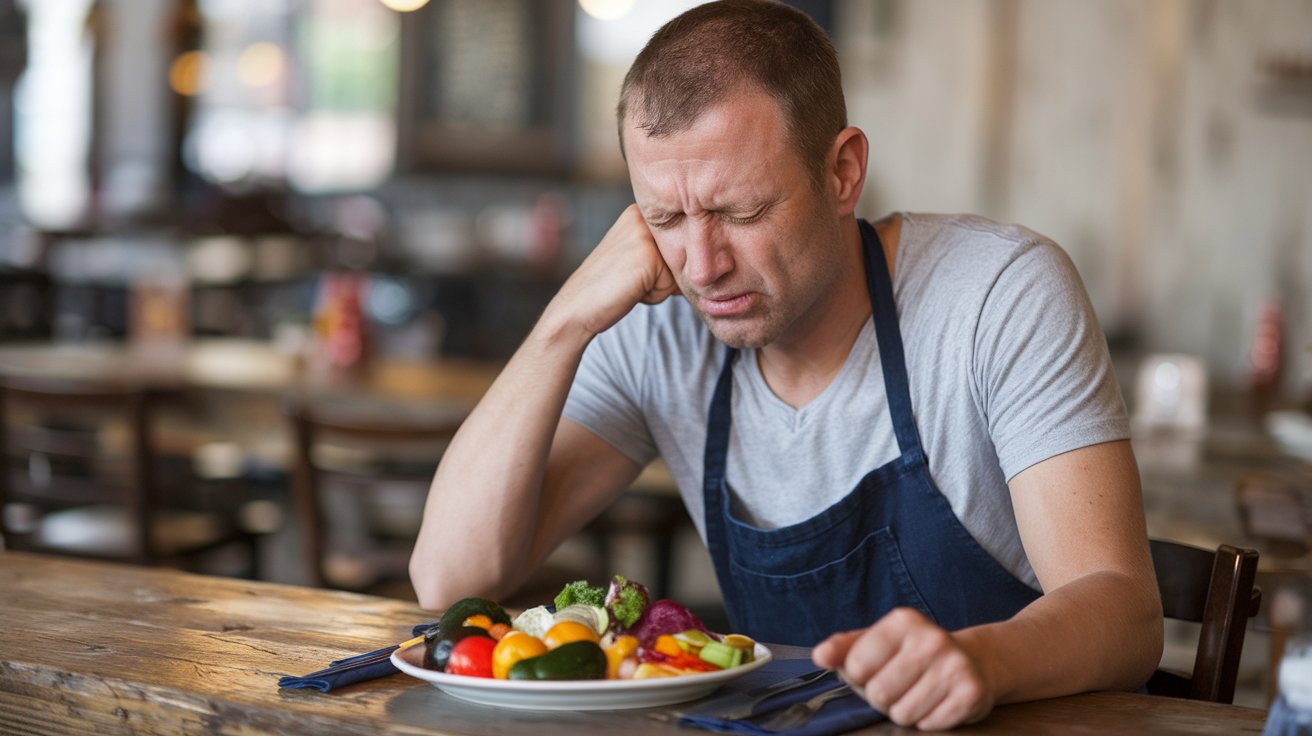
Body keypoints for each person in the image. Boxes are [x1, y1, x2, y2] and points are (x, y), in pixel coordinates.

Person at [410, 0, 1162, 729]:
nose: (701, 267)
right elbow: (450, 579)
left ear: (842, 172)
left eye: (740, 213)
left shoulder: (999, 293)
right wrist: (563, 323)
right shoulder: (661, 328)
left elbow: (1124, 611)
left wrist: (985, 662)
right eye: (664, 218)